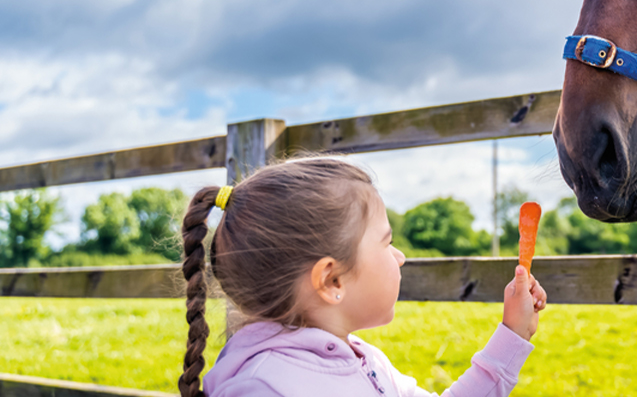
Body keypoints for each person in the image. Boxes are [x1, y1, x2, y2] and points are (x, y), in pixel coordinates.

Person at [178, 157, 547, 397]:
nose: (400, 257)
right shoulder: (264, 388)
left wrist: (512, 335)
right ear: (331, 280)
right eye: (387, 242)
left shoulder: (365, 362)